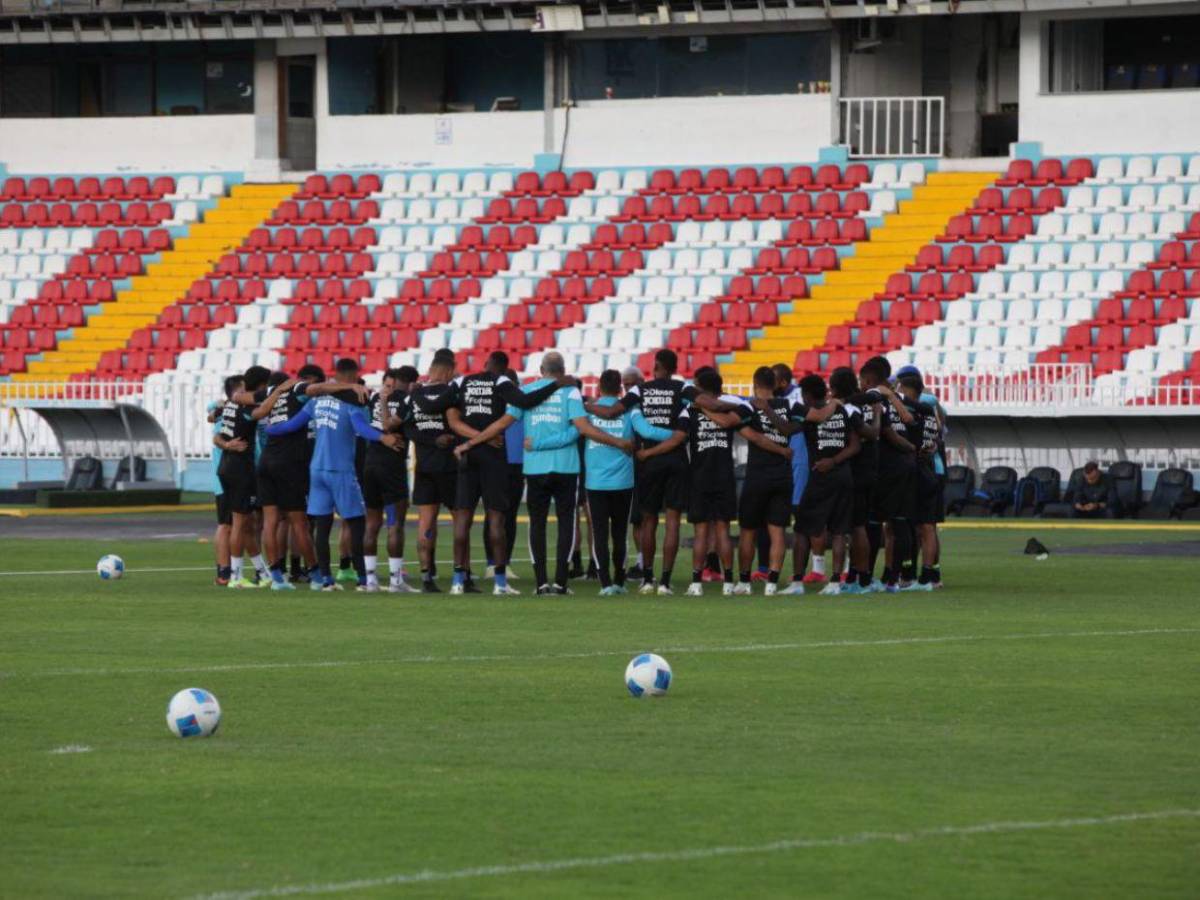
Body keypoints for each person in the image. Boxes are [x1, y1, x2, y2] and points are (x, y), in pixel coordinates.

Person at [454, 351, 630, 595]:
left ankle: (540, 584)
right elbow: (582, 429)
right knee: (566, 523)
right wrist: (618, 442)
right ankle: (560, 583)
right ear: (563, 369)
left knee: (536, 523)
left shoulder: (526, 391)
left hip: (535, 467)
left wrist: (470, 443)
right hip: (566, 467)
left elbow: (501, 423)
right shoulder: (570, 392)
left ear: (540, 369)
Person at [588, 349, 737, 595]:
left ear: (656, 366)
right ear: (675, 367)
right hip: (677, 460)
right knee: (673, 522)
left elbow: (612, 411)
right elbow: (713, 404)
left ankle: (648, 579)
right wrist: (743, 404)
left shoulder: (640, 390)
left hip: (649, 462)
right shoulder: (682, 388)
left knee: (648, 520)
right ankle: (666, 583)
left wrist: (588, 406)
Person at [265, 357, 403, 590]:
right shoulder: (352, 400)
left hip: (317, 469)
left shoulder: (317, 400)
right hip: (340, 470)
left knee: (322, 523)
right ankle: (362, 579)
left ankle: (325, 579)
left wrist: (270, 428)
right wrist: (384, 437)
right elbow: (360, 428)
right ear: (352, 375)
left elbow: (291, 426)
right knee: (356, 522)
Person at [444, 350, 562, 595]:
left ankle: (457, 580)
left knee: (462, 519)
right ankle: (500, 583)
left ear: (486, 364)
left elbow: (452, 418)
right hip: (494, 459)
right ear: (504, 368)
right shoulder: (500, 382)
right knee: (497, 518)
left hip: (467, 458)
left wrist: (472, 439)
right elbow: (526, 401)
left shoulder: (462, 382)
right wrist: (556, 384)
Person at [635, 367, 749, 597]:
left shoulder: (691, 409)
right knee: (723, 530)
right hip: (725, 473)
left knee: (701, 531)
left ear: (701, 389)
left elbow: (678, 438)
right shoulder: (736, 403)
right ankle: (728, 583)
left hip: (698, 474)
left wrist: (648, 453)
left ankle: (696, 583)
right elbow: (735, 418)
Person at [733, 366, 840, 596]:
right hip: (783, 476)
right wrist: (836, 402)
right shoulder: (790, 406)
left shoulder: (747, 406)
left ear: (754, 383)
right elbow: (821, 416)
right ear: (775, 384)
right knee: (777, 531)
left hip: (756, 476)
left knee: (748, 531)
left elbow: (747, 432)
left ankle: (743, 582)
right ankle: (772, 583)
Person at [582, 369, 676, 595]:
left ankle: (604, 584)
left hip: (595, 482)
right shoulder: (630, 410)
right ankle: (619, 582)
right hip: (623, 482)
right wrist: (677, 433)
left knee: (600, 533)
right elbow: (648, 431)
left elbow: (572, 432)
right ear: (620, 389)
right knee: (619, 533)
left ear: (598, 388)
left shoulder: (588, 411)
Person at [240, 364, 327, 590]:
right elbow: (316, 389)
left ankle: (277, 578)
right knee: (300, 523)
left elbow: (240, 397)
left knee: (270, 522)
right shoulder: (295, 391)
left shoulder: (269, 395)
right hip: (289, 464)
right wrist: (347, 386)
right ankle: (317, 577)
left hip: (266, 461)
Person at [783, 375, 861, 596]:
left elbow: (788, 430)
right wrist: (836, 460)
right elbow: (855, 446)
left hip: (820, 476)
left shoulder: (808, 414)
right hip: (844, 476)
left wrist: (768, 413)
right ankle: (835, 583)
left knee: (801, 530)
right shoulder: (842, 411)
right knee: (838, 531)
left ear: (807, 395)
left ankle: (797, 582)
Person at [404, 349, 460, 592]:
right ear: (447, 371)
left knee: (425, 522)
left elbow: (407, 429)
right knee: (461, 521)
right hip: (450, 467)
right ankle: (461, 576)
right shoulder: (453, 393)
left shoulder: (413, 396)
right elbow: (459, 425)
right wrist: (442, 438)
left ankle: (426, 576)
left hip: (424, 466)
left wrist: (427, 441)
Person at [361, 367, 420, 593]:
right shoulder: (408, 400)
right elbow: (391, 426)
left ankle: (371, 581)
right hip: (392, 467)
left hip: (370, 463)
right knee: (395, 524)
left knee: (372, 524)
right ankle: (396, 582)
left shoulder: (375, 397)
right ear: (412, 382)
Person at [214, 365, 273, 589]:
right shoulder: (247, 406)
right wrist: (277, 393)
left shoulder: (230, 404)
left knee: (245, 522)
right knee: (238, 523)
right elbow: (263, 410)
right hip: (240, 469)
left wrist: (227, 444)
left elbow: (217, 431)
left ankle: (262, 571)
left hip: (226, 466)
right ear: (260, 385)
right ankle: (236, 577)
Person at [896, 372, 942, 590]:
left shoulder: (914, 412)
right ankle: (928, 575)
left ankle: (910, 575)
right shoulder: (931, 413)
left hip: (914, 473)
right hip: (929, 471)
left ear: (904, 390)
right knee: (928, 527)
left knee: (911, 526)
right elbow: (935, 439)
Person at [208, 379, 238, 586]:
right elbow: (217, 436)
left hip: (226, 478)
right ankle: (224, 571)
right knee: (226, 525)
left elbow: (212, 409)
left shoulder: (223, 410)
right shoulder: (226, 416)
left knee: (231, 524)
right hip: (226, 479)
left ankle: (226, 569)